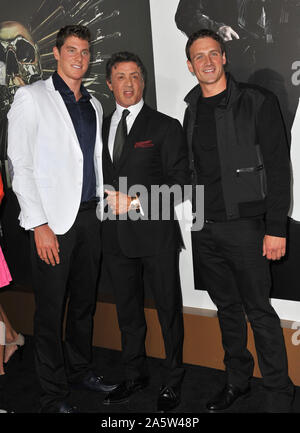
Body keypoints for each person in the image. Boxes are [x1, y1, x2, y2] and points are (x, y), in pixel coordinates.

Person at [7, 24, 116, 413]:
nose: (79, 58)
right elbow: (20, 165)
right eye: (71, 50)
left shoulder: (94, 103)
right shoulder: (31, 97)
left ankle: (80, 370)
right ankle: (53, 396)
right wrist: (39, 225)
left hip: (90, 218)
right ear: (56, 53)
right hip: (52, 224)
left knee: (84, 305)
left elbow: (90, 162)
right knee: (51, 311)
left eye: (85, 52)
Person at [184, 29, 294, 412]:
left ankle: (280, 394)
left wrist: (275, 227)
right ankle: (237, 381)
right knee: (226, 310)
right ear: (190, 65)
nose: (208, 62)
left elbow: (280, 169)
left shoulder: (257, 101)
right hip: (206, 227)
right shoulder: (191, 107)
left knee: (259, 311)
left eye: (213, 54)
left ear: (224, 57)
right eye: (199, 56)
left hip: (247, 228)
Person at [101, 51, 189, 412]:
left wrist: (135, 203)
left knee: (168, 311)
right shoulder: (100, 125)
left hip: (156, 237)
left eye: (135, 76)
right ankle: (134, 373)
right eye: (121, 77)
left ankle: (173, 380)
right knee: (128, 313)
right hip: (115, 240)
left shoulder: (166, 126)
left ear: (144, 81)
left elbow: (182, 183)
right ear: (110, 84)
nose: (128, 83)